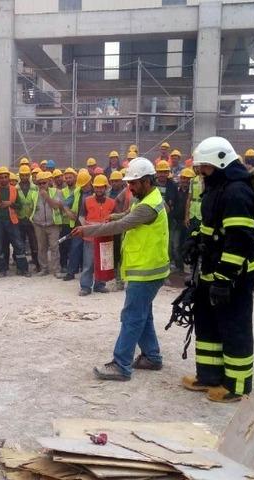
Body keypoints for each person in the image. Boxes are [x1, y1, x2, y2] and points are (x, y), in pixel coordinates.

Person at [70, 157, 169, 382]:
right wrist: (117, 214)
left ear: (146, 181)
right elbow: (127, 216)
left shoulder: (148, 206)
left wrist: (88, 229)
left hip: (147, 270)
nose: (129, 188)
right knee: (144, 315)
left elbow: (122, 225)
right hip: (149, 269)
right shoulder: (148, 198)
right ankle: (151, 357)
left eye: (133, 183)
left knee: (132, 316)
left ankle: (121, 364)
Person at [181, 136, 254, 403]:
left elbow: (238, 239)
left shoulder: (237, 191)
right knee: (208, 323)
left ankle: (237, 385)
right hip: (212, 270)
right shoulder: (216, 188)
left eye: (204, 166)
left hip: (234, 274)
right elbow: (212, 227)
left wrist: (224, 279)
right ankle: (209, 376)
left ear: (220, 162)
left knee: (233, 326)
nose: (201, 171)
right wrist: (195, 240)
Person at [0, 167, 30, 277]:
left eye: (5, 177)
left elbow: (19, 206)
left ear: (8, 178)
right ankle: (2, 269)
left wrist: (10, 204)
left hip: (12, 221)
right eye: (1, 177)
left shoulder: (13, 189)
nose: (3, 179)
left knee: (18, 245)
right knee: (0, 246)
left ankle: (23, 269)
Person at [78, 175, 116, 296]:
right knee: (88, 263)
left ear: (105, 188)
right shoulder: (87, 200)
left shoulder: (112, 203)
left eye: (101, 187)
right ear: (94, 188)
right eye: (97, 187)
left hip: (105, 238)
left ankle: (100, 285)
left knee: (102, 263)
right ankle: (85, 287)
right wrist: (87, 230)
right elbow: (81, 217)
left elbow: (115, 219)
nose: (99, 190)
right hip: (90, 238)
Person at [30, 171, 64, 277]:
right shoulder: (34, 194)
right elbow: (32, 209)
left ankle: (56, 270)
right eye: (39, 183)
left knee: (54, 247)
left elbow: (56, 206)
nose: (41, 186)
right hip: (39, 225)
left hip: (53, 224)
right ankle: (44, 268)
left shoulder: (57, 192)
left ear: (49, 182)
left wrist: (46, 197)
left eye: (43, 183)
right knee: (41, 247)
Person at [62, 170, 93, 281]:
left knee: (91, 250)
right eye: (82, 186)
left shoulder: (96, 192)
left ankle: (92, 273)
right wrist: (68, 212)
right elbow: (65, 203)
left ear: (90, 181)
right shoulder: (77, 191)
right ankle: (71, 273)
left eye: (85, 185)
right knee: (75, 248)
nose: (83, 187)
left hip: (92, 225)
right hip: (79, 223)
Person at [154, 160, 179, 268]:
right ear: (157, 173)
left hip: (168, 218)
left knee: (167, 241)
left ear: (168, 173)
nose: (163, 174)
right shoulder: (152, 184)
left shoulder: (172, 185)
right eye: (160, 172)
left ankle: (166, 262)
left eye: (165, 172)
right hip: (153, 218)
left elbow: (176, 202)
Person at [16, 165, 40, 273]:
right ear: (20, 176)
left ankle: (37, 264)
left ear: (29, 176)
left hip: (32, 219)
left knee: (34, 243)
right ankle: (20, 266)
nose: (25, 177)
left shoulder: (35, 187)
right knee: (19, 243)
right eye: (23, 175)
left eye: (26, 175)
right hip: (20, 219)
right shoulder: (15, 188)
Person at [170, 168, 192, 273]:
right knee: (176, 245)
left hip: (188, 222)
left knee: (186, 245)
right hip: (177, 222)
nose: (185, 181)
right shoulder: (176, 191)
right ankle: (179, 266)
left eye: (188, 179)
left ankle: (187, 266)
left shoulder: (193, 193)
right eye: (183, 178)